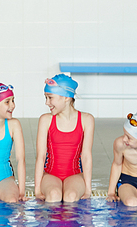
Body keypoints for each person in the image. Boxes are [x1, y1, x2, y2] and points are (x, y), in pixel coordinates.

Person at [35, 74, 95, 203]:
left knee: (71, 196)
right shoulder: (46, 120)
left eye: (50, 97)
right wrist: (37, 189)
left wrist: (88, 189)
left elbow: (86, 156)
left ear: (66, 98)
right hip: (50, 175)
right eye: (46, 97)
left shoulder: (86, 120)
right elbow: (41, 156)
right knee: (53, 195)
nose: (47, 102)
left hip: (75, 175)